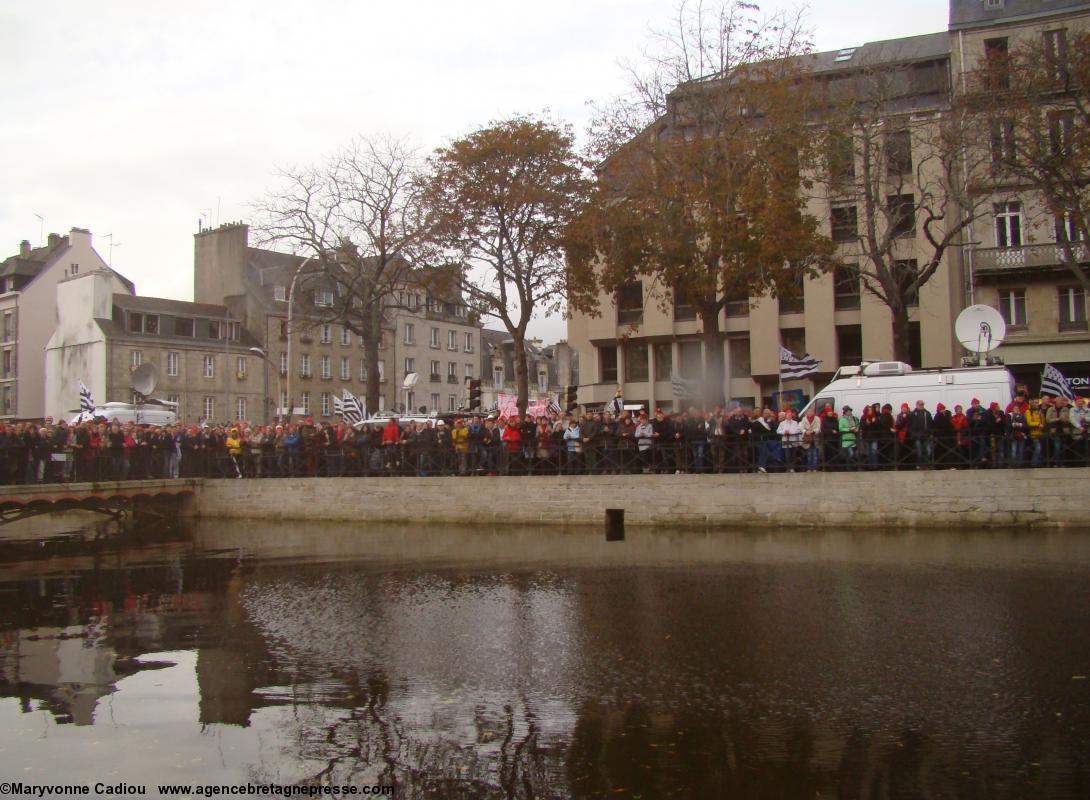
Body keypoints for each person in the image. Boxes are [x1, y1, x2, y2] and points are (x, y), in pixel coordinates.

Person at [907, 400, 934, 469]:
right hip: (917, 436)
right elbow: (909, 425)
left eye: (922, 404)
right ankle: (920, 465)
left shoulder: (927, 413)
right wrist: (913, 434)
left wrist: (930, 433)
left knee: (928, 450)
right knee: (919, 450)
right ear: (917, 405)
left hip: (926, 435)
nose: (921, 406)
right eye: (920, 404)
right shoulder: (913, 414)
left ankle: (926, 464)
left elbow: (931, 424)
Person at [799, 408, 822, 472]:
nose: (810, 413)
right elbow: (802, 428)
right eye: (809, 412)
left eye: (811, 411)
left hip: (815, 437)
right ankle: (809, 468)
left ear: (813, 412)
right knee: (809, 454)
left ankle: (815, 468)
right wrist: (805, 431)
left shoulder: (817, 418)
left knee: (815, 454)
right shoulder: (804, 419)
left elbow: (818, 427)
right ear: (806, 413)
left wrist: (813, 431)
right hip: (807, 438)